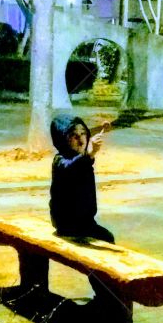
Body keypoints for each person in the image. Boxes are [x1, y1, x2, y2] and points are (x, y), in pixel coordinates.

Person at [49, 114, 115, 307]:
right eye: (73, 135)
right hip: (68, 224)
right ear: (62, 139)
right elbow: (72, 168)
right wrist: (89, 154)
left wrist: (90, 155)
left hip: (85, 222)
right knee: (103, 245)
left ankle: (105, 295)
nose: (81, 139)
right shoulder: (60, 161)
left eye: (83, 134)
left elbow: (82, 164)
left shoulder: (81, 160)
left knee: (107, 241)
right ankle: (105, 297)